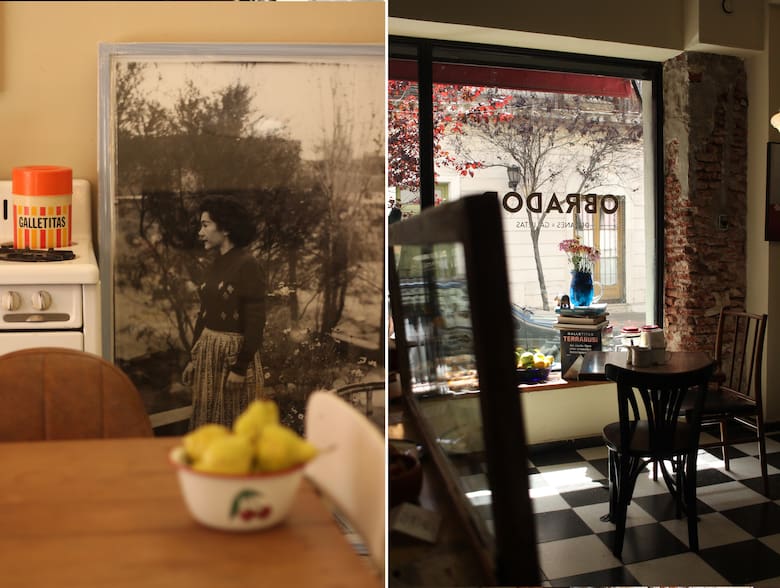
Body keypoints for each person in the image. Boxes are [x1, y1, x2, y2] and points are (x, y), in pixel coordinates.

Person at [183, 195, 266, 430]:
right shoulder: (216, 264)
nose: (200, 232)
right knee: (208, 424)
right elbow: (205, 314)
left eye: (205, 225)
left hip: (233, 358)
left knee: (234, 425)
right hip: (209, 355)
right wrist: (194, 359)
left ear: (226, 228)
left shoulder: (247, 265)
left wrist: (240, 368)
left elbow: (256, 320)